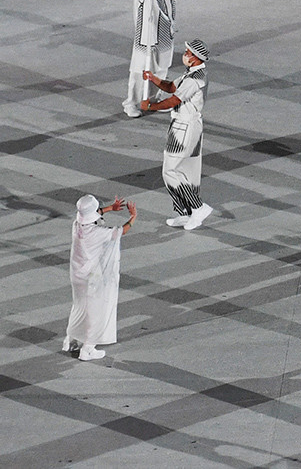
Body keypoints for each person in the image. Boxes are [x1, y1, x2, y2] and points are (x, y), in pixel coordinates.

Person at [141, 39, 213, 230]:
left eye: (189, 53)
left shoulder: (194, 79)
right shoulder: (193, 73)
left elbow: (173, 100)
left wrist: (150, 107)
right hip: (187, 125)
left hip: (185, 127)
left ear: (197, 58)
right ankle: (185, 212)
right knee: (185, 171)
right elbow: (172, 87)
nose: (185, 55)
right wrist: (153, 79)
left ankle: (197, 207)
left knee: (170, 171)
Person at [63, 195, 136, 361]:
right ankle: (88, 349)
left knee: (79, 307)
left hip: (77, 276)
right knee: (95, 313)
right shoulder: (97, 233)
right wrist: (133, 217)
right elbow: (120, 231)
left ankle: (71, 339)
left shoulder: (76, 226)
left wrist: (111, 208)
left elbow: (92, 214)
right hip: (92, 279)